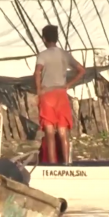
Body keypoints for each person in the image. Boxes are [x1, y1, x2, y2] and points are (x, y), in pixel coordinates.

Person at [34, 25, 86, 164]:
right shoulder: (64, 54)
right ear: (57, 38)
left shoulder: (43, 55)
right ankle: (67, 163)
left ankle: (52, 165)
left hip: (48, 94)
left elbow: (38, 72)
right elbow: (81, 70)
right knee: (63, 132)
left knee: (50, 133)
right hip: (61, 94)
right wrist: (68, 84)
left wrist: (39, 90)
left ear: (44, 39)